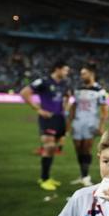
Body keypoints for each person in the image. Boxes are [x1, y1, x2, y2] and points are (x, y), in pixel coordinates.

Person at [20, 60, 71, 191]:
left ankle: (47, 177)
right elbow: (24, 93)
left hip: (60, 118)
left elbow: (66, 97)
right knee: (49, 146)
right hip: (48, 118)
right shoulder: (43, 81)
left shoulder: (64, 83)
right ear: (57, 69)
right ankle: (43, 179)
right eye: (65, 70)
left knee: (53, 148)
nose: (67, 72)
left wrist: (65, 106)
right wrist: (38, 110)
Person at [67, 63, 108, 187]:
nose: (81, 76)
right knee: (78, 149)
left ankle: (86, 176)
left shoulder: (99, 90)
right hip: (77, 123)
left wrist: (101, 126)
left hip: (91, 123)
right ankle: (83, 175)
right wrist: (70, 122)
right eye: (81, 73)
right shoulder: (78, 89)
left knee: (86, 149)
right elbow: (74, 105)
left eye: (84, 73)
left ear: (91, 74)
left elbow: (104, 109)